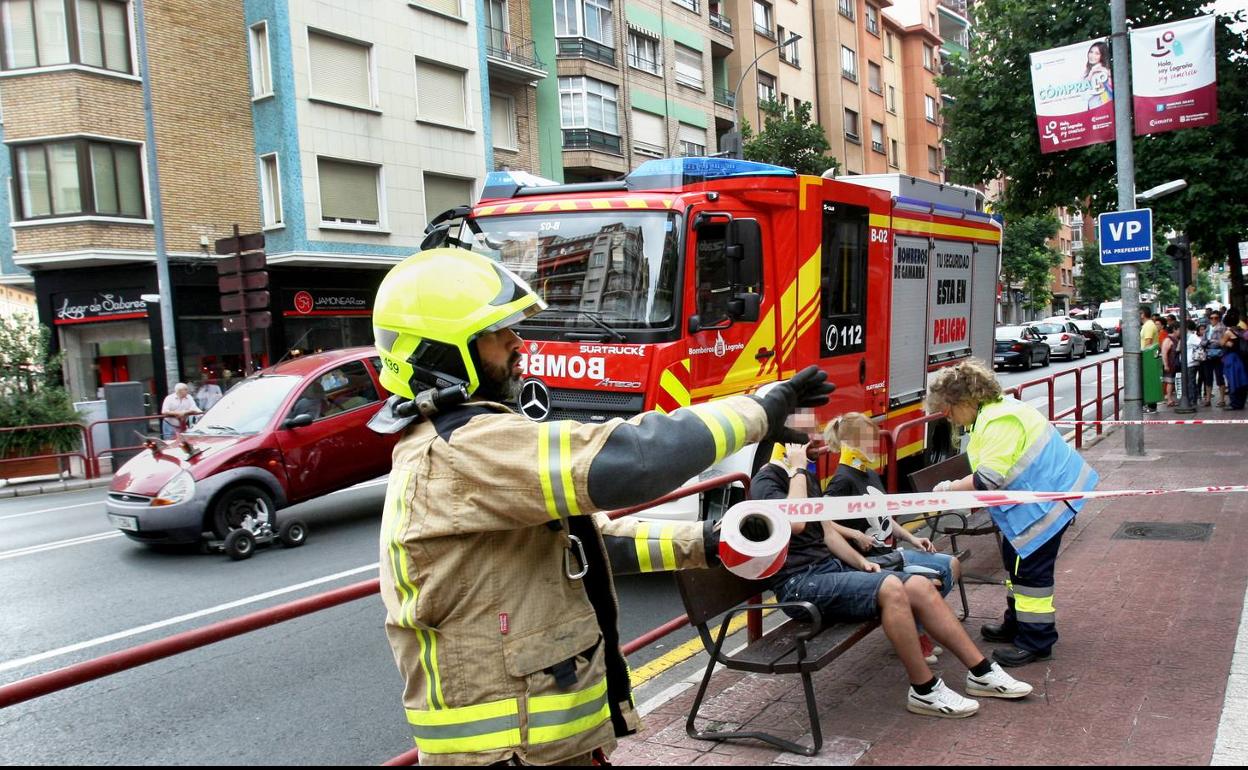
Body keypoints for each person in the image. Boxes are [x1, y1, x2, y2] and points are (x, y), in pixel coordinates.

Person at [367, 247, 833, 765]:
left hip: (537, 746)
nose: (518, 344)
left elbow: (588, 543)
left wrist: (708, 541)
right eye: (496, 335)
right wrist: (759, 410)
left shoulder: (467, 445)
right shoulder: (463, 450)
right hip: (508, 754)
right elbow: (636, 458)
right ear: (442, 352)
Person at [750, 417, 1032, 719]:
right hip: (800, 584)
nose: (818, 444)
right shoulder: (767, 481)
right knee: (892, 588)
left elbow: (827, 532)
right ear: (787, 445)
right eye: (809, 439)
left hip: (829, 571)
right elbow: (796, 522)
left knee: (920, 586)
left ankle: (981, 671)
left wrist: (862, 562)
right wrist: (797, 470)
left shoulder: (803, 478)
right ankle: (924, 690)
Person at [927, 359, 1099, 667]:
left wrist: (949, 488)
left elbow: (988, 478)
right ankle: (1016, 622)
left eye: (949, 409)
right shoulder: (999, 410)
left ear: (966, 400)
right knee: (1015, 563)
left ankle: (1036, 640)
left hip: (1041, 508)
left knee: (1031, 574)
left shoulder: (998, 421)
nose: (949, 417)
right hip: (1042, 500)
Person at [821, 412, 962, 663]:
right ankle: (912, 635)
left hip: (891, 554)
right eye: (868, 441)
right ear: (851, 443)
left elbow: (885, 519)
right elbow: (822, 520)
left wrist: (911, 538)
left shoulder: (870, 474)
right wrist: (853, 533)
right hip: (872, 562)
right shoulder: (841, 480)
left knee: (951, 565)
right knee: (928, 582)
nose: (874, 446)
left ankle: (916, 626)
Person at [1220, 308, 1248, 410]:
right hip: (1242, 359)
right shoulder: (1243, 330)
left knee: (1233, 381)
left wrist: (1226, 342)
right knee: (1242, 381)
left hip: (1232, 359)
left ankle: (1234, 404)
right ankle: (1241, 402)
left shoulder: (1228, 332)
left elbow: (1222, 343)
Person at [1207, 311, 1228, 408]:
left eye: (1215, 318)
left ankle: (1222, 399)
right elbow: (1203, 341)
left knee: (1219, 377)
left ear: (1219, 318)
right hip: (1208, 355)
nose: (1213, 320)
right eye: (1211, 318)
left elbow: (1221, 342)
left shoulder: (1222, 328)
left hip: (1218, 355)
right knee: (1208, 378)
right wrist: (1208, 342)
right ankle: (1207, 399)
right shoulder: (1208, 328)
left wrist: (1211, 341)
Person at [1141, 309, 1160, 413]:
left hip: (1148, 357)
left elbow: (1148, 342)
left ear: (1143, 314)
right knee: (1149, 381)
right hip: (1149, 356)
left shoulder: (1148, 325)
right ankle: (1150, 405)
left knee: (1149, 381)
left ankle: (1151, 406)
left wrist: (1145, 357)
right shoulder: (1148, 325)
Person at [1083, 41, 1113, 109]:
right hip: (1091, 108)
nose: (1092, 56)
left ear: (1102, 56)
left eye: (1097, 53)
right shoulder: (1089, 71)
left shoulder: (1104, 72)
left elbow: (1106, 93)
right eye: (1091, 52)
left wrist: (1105, 107)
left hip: (1100, 109)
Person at [1160, 322, 1178, 407]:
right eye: (1179, 329)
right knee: (1170, 381)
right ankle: (1169, 399)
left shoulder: (1175, 338)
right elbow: (1164, 353)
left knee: (1172, 381)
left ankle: (1170, 399)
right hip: (1170, 364)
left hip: (1175, 364)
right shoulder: (1168, 340)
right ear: (1174, 329)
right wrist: (1166, 364)